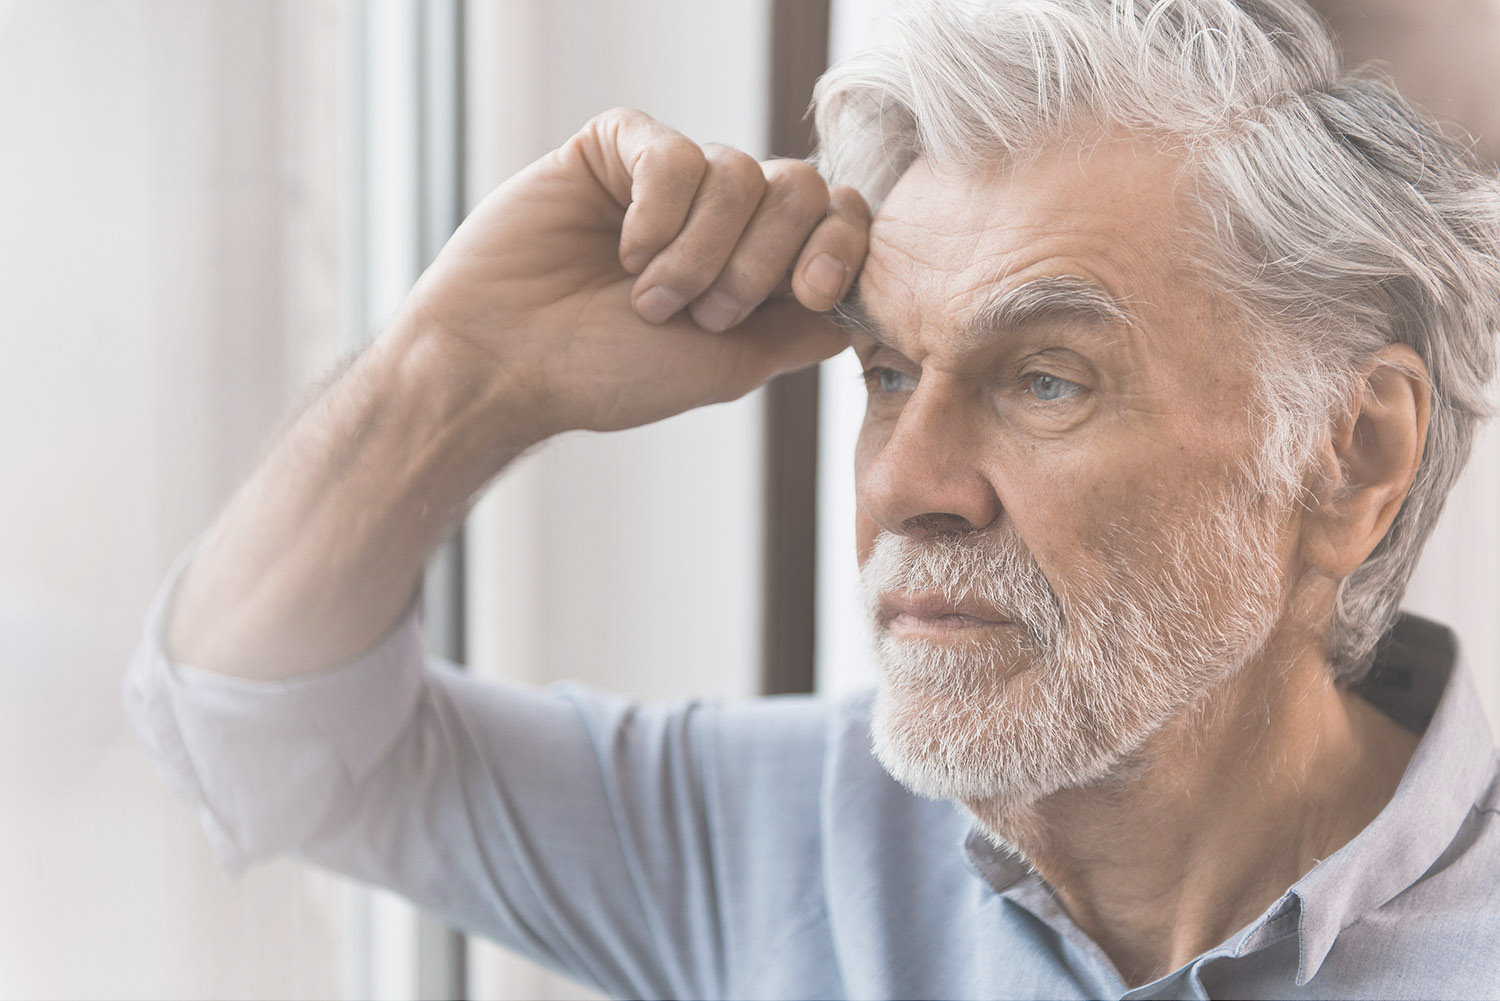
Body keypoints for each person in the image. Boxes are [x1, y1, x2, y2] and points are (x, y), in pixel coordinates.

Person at [125, 0, 1500, 996]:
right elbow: (256, 733)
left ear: (1351, 455)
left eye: (1048, 381)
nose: (907, 484)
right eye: (891, 372)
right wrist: (458, 375)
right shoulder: (790, 831)